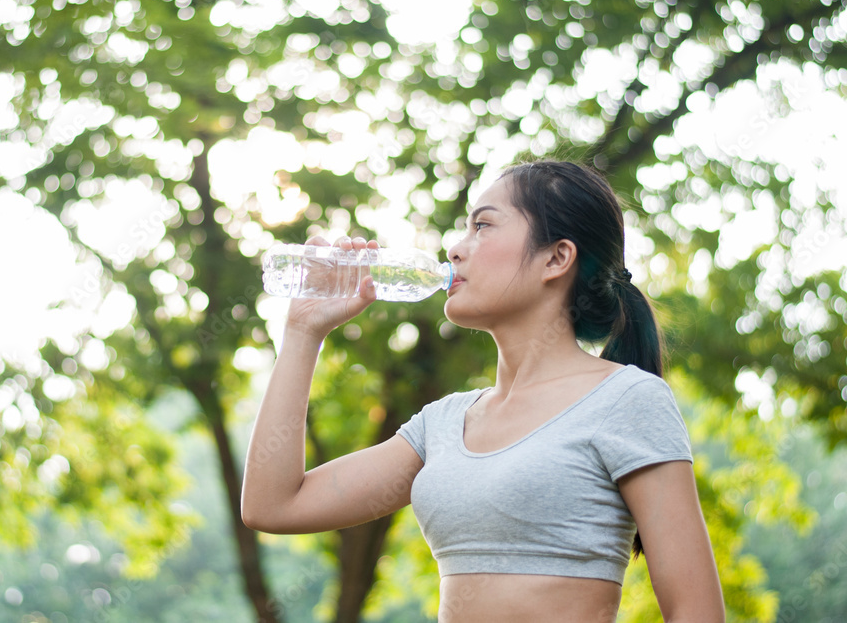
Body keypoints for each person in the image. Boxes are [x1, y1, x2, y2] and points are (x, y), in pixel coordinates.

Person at [241, 161, 725, 622]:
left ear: (556, 258)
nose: (455, 248)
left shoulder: (625, 400)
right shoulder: (444, 424)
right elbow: (274, 505)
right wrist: (304, 333)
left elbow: (696, 613)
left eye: (483, 226)